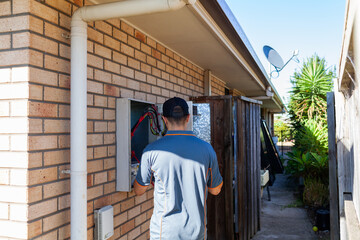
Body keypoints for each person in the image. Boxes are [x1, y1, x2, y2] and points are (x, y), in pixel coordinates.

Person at [134, 97, 223, 240]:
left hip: (164, 233)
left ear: (164, 119)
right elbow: (215, 189)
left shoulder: (150, 151)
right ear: (188, 118)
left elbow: (139, 190)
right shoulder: (207, 149)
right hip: (196, 232)